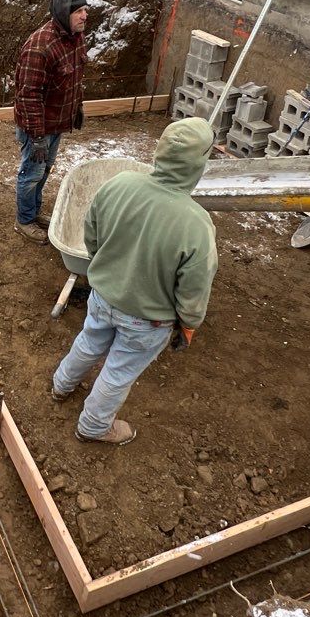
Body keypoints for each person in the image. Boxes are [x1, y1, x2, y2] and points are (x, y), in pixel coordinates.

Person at [51, 117, 219, 445]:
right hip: (148, 319)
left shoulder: (120, 184)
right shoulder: (196, 224)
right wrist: (188, 325)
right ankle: (94, 427)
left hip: (101, 297)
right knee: (118, 371)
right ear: (198, 166)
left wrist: (105, 266)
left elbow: (92, 232)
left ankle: (61, 385)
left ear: (160, 152)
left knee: (89, 341)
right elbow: (194, 288)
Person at [13, 0, 88, 242]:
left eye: (85, 10)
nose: (84, 16)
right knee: (31, 172)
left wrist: (76, 109)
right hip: (38, 126)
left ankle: (32, 213)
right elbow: (28, 95)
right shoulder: (40, 46)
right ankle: (24, 221)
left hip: (56, 122)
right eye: (78, 11)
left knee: (44, 171)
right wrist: (36, 136)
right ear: (62, 13)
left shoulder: (74, 37)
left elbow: (73, 78)